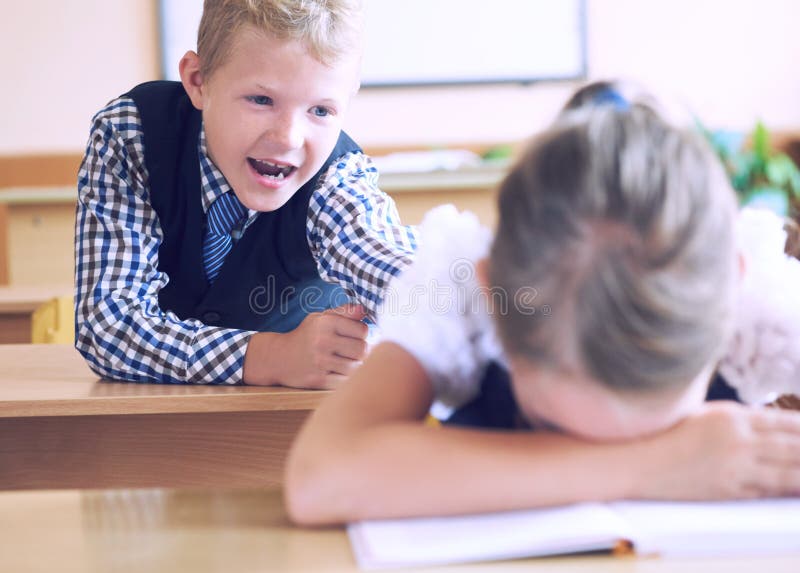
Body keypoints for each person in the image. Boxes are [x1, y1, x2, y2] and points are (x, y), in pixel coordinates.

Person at [284, 90, 800, 525]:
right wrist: (657, 460)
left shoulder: (763, 305)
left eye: (663, 427)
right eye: (558, 431)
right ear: (491, 295)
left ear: (734, 290)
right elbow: (319, 478)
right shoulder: (458, 296)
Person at [74, 0, 417, 387]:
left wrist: (450, 298)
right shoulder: (133, 134)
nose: (288, 137)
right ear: (199, 80)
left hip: (288, 425)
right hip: (151, 417)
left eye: (321, 111)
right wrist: (273, 356)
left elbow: (380, 256)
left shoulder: (337, 177)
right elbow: (107, 326)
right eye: (261, 100)